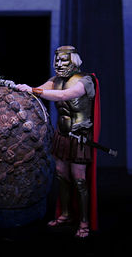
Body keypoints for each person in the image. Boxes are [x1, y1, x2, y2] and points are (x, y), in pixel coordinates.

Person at [15, 45, 99, 239]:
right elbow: (40, 90)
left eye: (64, 60)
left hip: (79, 136)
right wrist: (22, 88)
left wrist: (34, 90)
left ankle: (84, 221)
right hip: (62, 135)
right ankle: (67, 214)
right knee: (61, 174)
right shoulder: (56, 81)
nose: (60, 64)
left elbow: (64, 96)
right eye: (57, 61)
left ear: (74, 61)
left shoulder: (85, 81)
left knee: (79, 179)